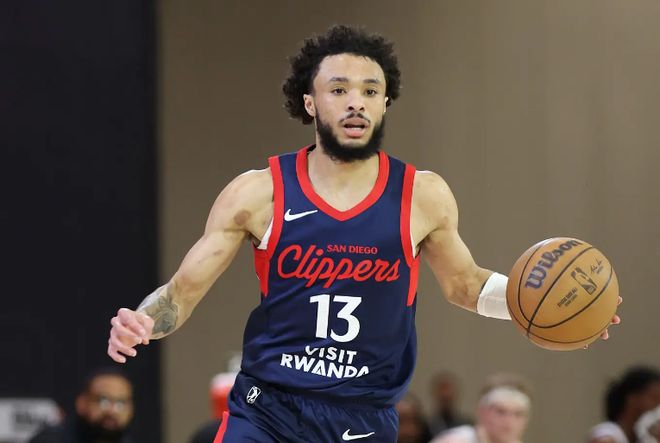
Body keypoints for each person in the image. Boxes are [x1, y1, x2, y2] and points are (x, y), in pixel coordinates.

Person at [106, 25, 620, 442]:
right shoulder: (258, 193)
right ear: (310, 102)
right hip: (267, 410)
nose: (357, 102)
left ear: (385, 102)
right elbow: (181, 293)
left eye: (371, 91)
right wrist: (143, 322)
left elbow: (465, 286)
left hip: (363, 416)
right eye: (339, 90)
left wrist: (555, 309)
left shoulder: (422, 195)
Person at [29, 367, 134, 443]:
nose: (112, 410)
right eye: (103, 401)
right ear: (82, 403)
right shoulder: (50, 440)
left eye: (121, 403)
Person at [431, 374, 532, 443]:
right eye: (501, 412)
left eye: (518, 414)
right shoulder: (454, 440)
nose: (509, 421)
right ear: (481, 412)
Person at [588, 366, 660, 443]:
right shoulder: (608, 435)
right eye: (654, 398)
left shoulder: (645, 438)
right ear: (632, 398)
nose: (657, 405)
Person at [429, 372, 472, 436]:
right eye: (443, 398)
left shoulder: (466, 426)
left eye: (448, 398)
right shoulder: (427, 427)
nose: (445, 394)